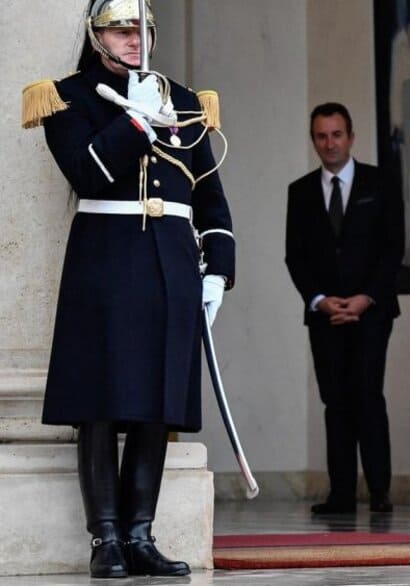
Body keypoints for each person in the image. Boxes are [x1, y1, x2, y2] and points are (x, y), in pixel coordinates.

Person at [22, 0, 235, 578]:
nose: (134, 39)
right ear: (97, 38)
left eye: (142, 29)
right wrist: (135, 122)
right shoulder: (68, 97)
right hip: (106, 261)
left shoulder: (185, 102)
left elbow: (210, 196)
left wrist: (218, 268)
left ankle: (141, 534)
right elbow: (86, 173)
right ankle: (106, 539)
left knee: (157, 405)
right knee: (98, 403)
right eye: (120, 30)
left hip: (171, 261)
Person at [285, 102, 404, 516]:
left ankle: (379, 491)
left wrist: (365, 297)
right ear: (313, 140)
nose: (329, 143)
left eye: (336, 135)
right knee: (334, 400)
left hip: (372, 312)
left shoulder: (381, 182)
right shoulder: (300, 191)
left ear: (351, 137)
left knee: (367, 396)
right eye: (321, 136)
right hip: (325, 315)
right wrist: (320, 300)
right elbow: (295, 256)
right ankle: (341, 495)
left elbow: (393, 248)